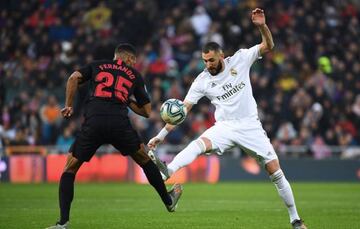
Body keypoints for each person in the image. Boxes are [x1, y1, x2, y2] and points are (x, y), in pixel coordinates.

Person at [148, 9, 307, 229]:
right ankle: (169, 171)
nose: (208, 65)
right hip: (224, 127)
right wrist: (161, 135)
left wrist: (262, 26)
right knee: (198, 144)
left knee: (276, 172)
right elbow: (182, 111)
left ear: (221, 56)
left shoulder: (240, 59)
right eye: (204, 61)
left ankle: (295, 219)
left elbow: (268, 46)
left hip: (250, 126)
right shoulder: (202, 80)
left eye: (211, 60)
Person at [47, 43, 183, 229]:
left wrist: (69, 105)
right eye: (133, 61)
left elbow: (73, 78)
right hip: (119, 123)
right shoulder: (134, 75)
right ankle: (168, 200)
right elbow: (146, 111)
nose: (133, 64)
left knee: (69, 168)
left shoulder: (96, 66)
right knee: (145, 160)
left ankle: (63, 223)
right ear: (128, 59)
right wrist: (125, 99)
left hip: (94, 121)